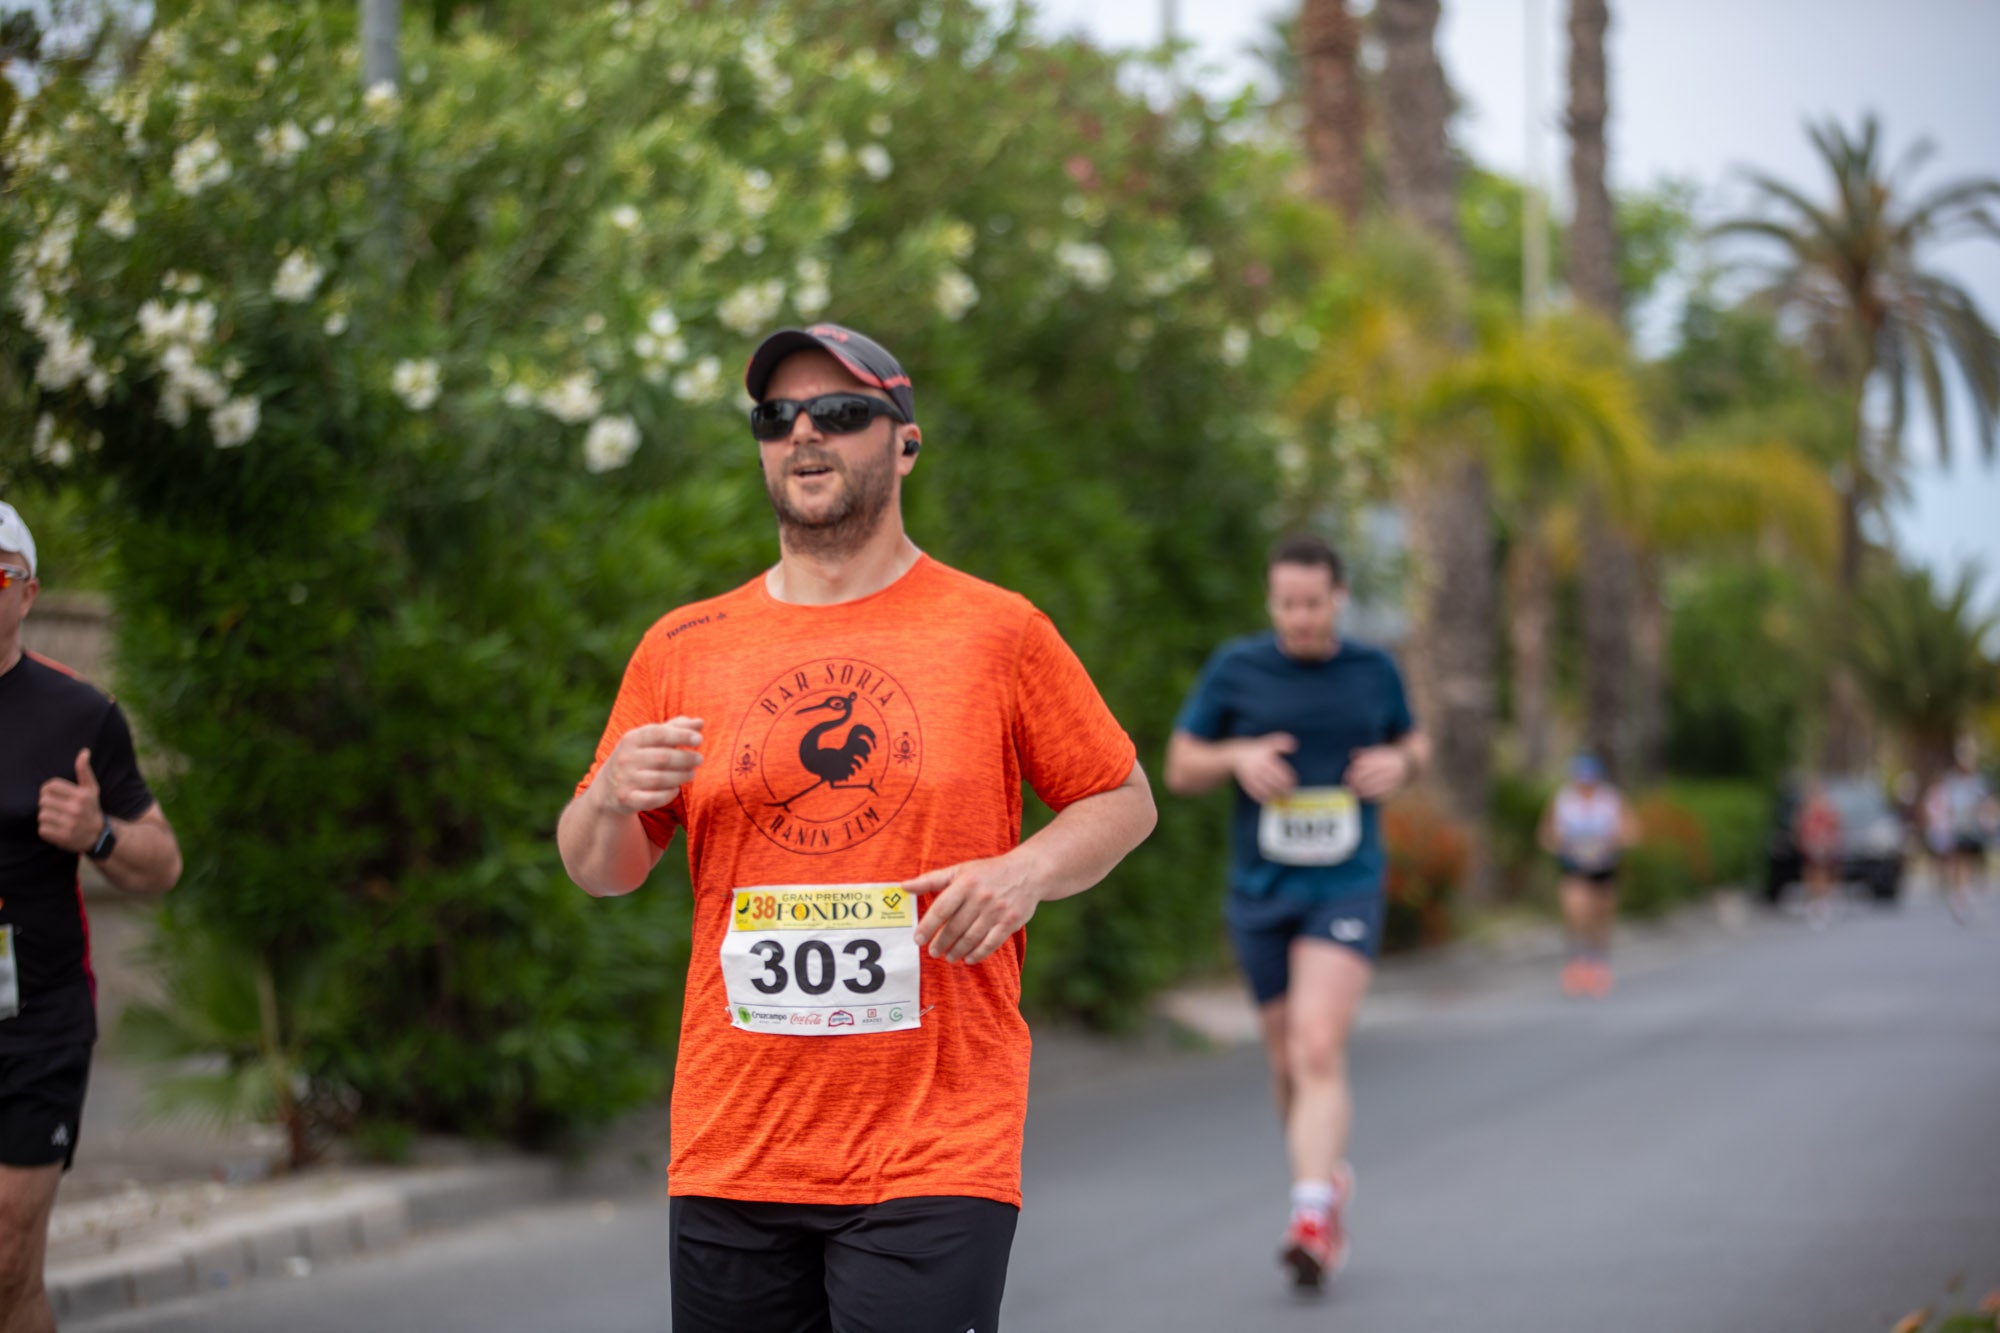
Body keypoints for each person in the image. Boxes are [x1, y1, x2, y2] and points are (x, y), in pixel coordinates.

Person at [556, 323, 1155, 1333]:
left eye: (838, 412)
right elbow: (600, 870)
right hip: (735, 1137)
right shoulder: (682, 646)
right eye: (775, 416)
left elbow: (1120, 796)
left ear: (904, 442)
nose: (803, 434)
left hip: (933, 1140)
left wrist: (1024, 872)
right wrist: (610, 792)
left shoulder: (994, 631)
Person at [1163, 534, 1428, 1292]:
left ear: (1338, 597)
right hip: (1261, 888)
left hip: (1345, 884)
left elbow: (1415, 739)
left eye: (1313, 603)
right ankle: (1324, 1177)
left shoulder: (1373, 669)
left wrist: (1401, 763)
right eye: (1286, 603)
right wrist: (1237, 757)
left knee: (1317, 1045)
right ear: (1271, 599)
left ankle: (1310, 1215)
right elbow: (1180, 765)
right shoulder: (1237, 668)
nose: (1300, 617)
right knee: (1285, 1061)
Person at [0, 500, 181, 1331]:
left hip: (34, 1020)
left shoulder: (80, 714)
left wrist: (98, 830)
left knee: (7, 1262)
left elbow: (162, 860)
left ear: (28, 593)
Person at [1538, 754, 1638, 997]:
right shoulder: (1563, 801)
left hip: (1603, 867)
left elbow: (1632, 831)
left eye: (1589, 781)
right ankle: (1577, 963)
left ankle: (1599, 963)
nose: (1585, 787)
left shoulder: (1611, 800)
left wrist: (1616, 841)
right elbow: (1545, 834)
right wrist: (1558, 844)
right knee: (1576, 910)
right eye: (1581, 781)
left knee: (1600, 917)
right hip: (1575, 866)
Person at [1927, 742, 1995, 924]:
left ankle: (1965, 892)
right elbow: (1944, 805)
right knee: (1958, 862)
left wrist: (1986, 820)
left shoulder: (1978, 782)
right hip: (1957, 829)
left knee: (1971, 862)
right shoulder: (1951, 782)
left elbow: (1986, 805)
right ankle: (1958, 897)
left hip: (1973, 829)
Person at [1793, 778, 1843, 930]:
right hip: (1811, 847)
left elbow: (1836, 828)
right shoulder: (1806, 811)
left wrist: (1831, 843)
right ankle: (1813, 905)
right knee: (1811, 875)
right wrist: (1804, 842)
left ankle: (1824, 905)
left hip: (1825, 848)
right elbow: (1800, 829)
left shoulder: (1829, 810)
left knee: (1824, 875)